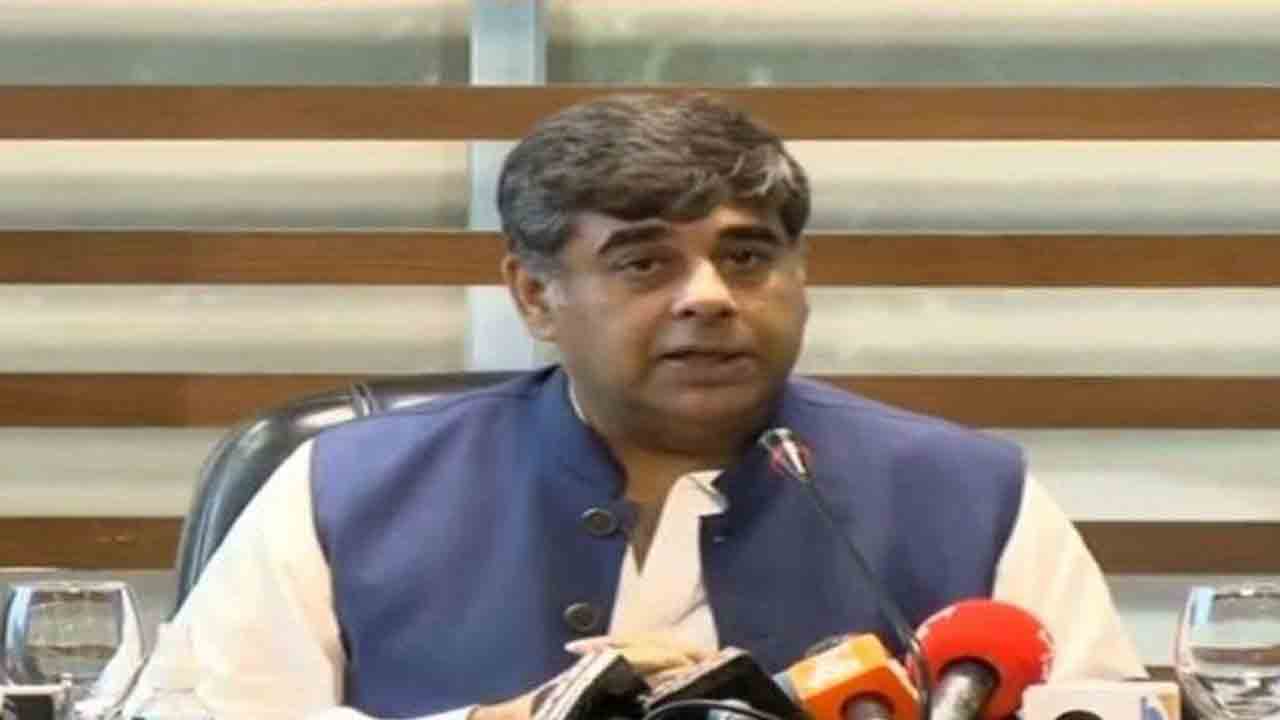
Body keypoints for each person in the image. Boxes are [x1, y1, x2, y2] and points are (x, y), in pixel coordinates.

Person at [144, 94, 1145, 719]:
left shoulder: (970, 495)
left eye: (746, 257)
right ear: (534, 296)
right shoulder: (346, 487)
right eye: (642, 263)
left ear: (799, 278)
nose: (709, 297)